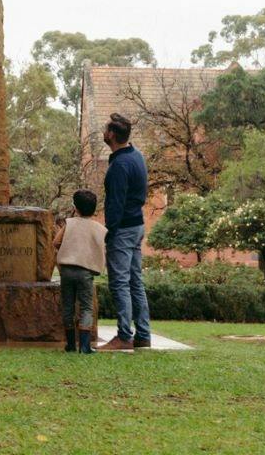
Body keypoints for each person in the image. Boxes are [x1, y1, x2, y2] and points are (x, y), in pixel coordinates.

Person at [98, 112, 151, 351]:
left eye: (106, 129)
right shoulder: (136, 156)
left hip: (124, 228)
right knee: (135, 282)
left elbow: (116, 204)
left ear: (112, 135)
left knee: (119, 283)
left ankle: (123, 336)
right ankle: (143, 334)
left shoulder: (119, 165)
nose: (103, 132)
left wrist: (109, 233)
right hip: (137, 225)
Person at [53, 188, 106, 354]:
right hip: (85, 273)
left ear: (75, 208)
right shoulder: (99, 228)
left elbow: (56, 242)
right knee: (86, 308)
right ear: (94, 209)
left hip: (67, 271)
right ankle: (84, 346)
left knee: (68, 306)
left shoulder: (69, 223)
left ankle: (70, 344)